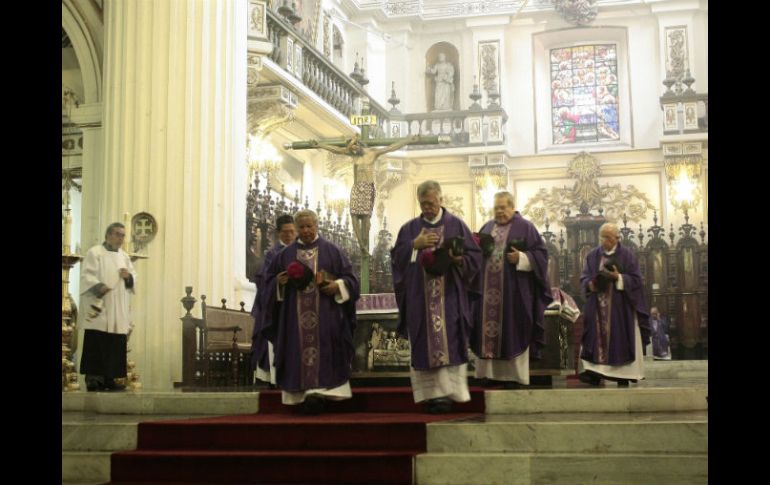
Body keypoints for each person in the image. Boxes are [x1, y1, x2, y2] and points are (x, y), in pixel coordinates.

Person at [391, 180, 482, 413]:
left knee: (450, 340)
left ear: (441, 200)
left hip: (449, 297)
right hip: (420, 299)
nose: (427, 208)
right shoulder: (409, 229)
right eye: (423, 204)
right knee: (424, 341)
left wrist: (459, 259)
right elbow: (396, 259)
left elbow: (475, 257)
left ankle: (450, 394)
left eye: (431, 203)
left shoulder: (456, 226)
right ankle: (431, 396)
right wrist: (414, 244)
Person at [261, 209, 360, 414]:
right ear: (297, 228)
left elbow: (351, 279)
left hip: (326, 316)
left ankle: (324, 395)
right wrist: (277, 284)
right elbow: (267, 282)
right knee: (297, 350)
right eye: (302, 227)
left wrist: (338, 286)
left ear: (317, 226)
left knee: (327, 351)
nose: (305, 230)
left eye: (309, 226)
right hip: (294, 320)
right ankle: (302, 396)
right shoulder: (284, 255)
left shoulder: (332, 251)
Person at [470, 192, 553, 389]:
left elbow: (541, 256)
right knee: (487, 332)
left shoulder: (525, 227)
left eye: (503, 207)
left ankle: (514, 377)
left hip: (514, 293)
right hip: (487, 293)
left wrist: (523, 258)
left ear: (512, 207)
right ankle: (489, 375)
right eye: (496, 207)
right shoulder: (487, 228)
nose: (499, 211)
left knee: (514, 330)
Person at [308, 133, 420, 250]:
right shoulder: (354, 155)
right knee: (353, 217)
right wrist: (320, 145)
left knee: (366, 219)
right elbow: (336, 150)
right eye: (352, 149)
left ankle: (365, 244)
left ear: (360, 145)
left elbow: (391, 147)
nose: (354, 151)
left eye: (355, 148)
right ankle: (361, 244)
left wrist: (408, 140)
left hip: (367, 188)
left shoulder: (372, 153)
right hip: (356, 187)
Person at [578, 223, 650, 387]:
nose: (604, 241)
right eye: (602, 237)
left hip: (620, 308)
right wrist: (590, 284)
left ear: (618, 238)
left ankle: (622, 376)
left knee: (620, 339)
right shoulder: (592, 256)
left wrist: (618, 277)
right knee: (595, 339)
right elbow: (584, 277)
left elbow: (637, 280)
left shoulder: (628, 255)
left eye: (608, 237)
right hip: (597, 307)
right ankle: (595, 374)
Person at [78, 223, 137, 392]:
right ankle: (94, 379)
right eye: (118, 234)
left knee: (115, 342)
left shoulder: (124, 257)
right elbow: (87, 275)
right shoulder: (95, 253)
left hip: (118, 307)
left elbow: (133, 279)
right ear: (108, 235)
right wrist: (98, 286)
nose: (120, 238)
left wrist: (128, 278)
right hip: (101, 305)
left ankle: (111, 378)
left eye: (123, 235)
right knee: (97, 341)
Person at [250, 214, 296, 386]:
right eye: (285, 232)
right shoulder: (272, 254)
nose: (289, 236)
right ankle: (276, 380)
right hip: (275, 308)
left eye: (292, 232)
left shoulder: (301, 250)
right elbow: (264, 281)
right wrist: (277, 282)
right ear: (278, 233)